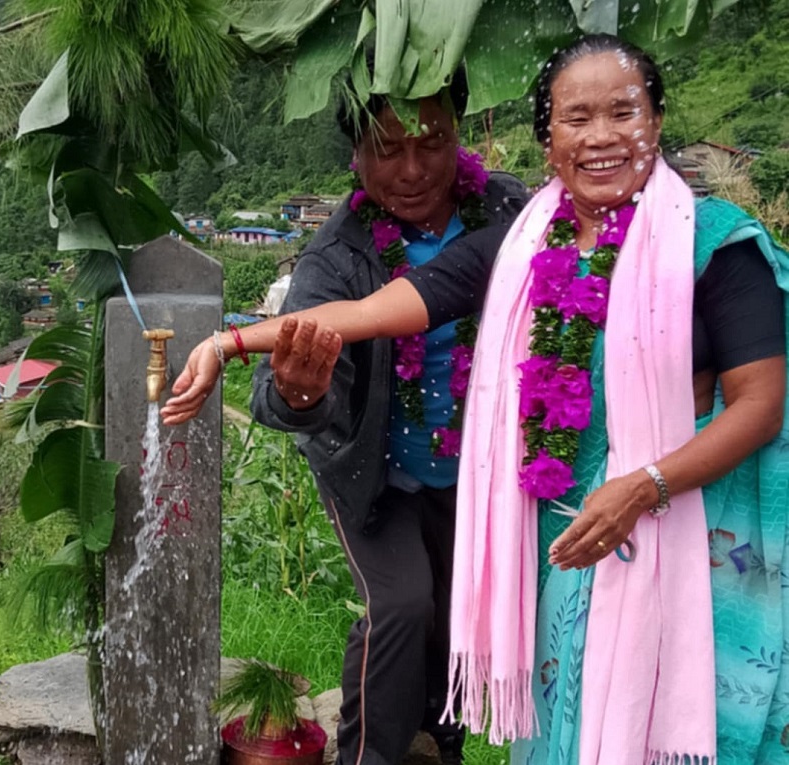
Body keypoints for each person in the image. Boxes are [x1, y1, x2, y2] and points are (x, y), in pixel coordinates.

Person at [163, 34, 789, 765]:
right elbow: (384, 309)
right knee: (447, 633)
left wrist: (644, 481)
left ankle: (443, 746)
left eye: (623, 112)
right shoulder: (515, 239)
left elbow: (760, 400)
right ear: (548, 139)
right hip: (454, 493)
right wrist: (240, 349)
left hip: (657, 515)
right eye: (576, 119)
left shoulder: (698, 243)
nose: (601, 138)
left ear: (656, 118)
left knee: (642, 692)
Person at [247, 71, 527, 765]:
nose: (410, 170)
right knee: (401, 604)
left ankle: (440, 746)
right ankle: (367, 755)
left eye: (431, 143)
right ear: (356, 155)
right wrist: (302, 393)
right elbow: (274, 392)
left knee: (453, 613)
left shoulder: (508, 213)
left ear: (462, 135)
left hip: (478, 472)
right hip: (376, 475)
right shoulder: (340, 254)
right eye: (387, 148)